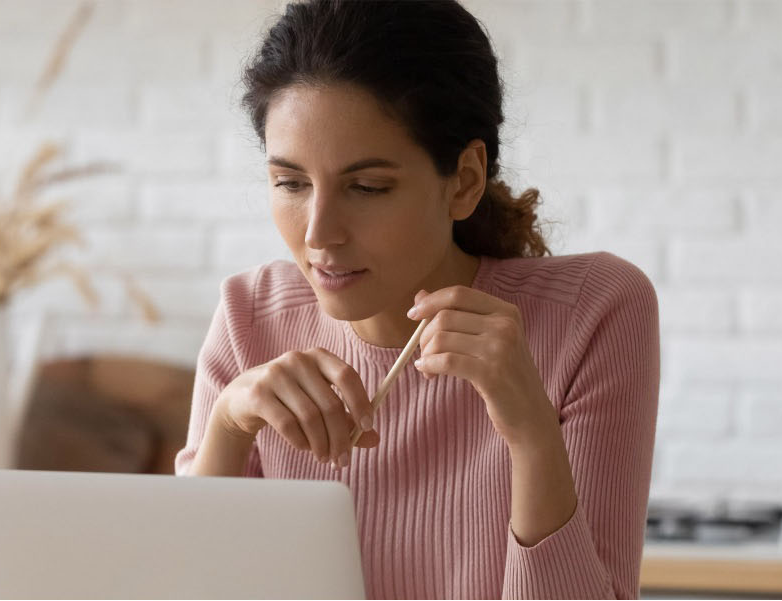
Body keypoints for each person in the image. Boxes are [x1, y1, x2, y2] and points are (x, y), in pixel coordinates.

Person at [173, 1, 660, 597]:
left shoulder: (594, 313)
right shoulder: (250, 316)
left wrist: (533, 436)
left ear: (464, 181)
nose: (318, 233)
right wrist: (227, 423)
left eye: (368, 186)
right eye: (290, 183)